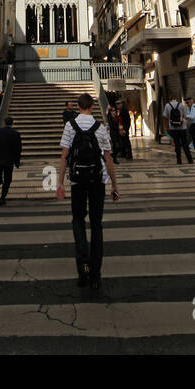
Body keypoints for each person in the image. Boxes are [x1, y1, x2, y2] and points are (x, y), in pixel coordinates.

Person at [57, 93, 119, 289]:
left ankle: (83, 264)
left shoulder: (70, 126)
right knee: (96, 224)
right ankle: (96, 273)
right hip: (97, 181)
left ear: (77, 106)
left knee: (77, 221)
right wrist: (115, 184)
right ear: (92, 106)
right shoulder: (100, 128)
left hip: (77, 181)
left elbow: (64, 157)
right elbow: (108, 158)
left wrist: (59, 183)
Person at [0, 116, 22, 204]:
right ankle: (2, 197)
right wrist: (17, 161)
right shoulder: (16, 134)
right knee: (7, 179)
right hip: (9, 161)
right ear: (12, 123)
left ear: (4, 122)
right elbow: (18, 149)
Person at [164, 96, 192, 163]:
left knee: (177, 144)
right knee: (185, 143)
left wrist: (166, 126)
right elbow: (185, 116)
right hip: (182, 127)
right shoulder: (181, 105)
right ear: (177, 99)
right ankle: (190, 160)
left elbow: (165, 116)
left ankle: (179, 160)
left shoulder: (167, 105)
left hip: (173, 128)